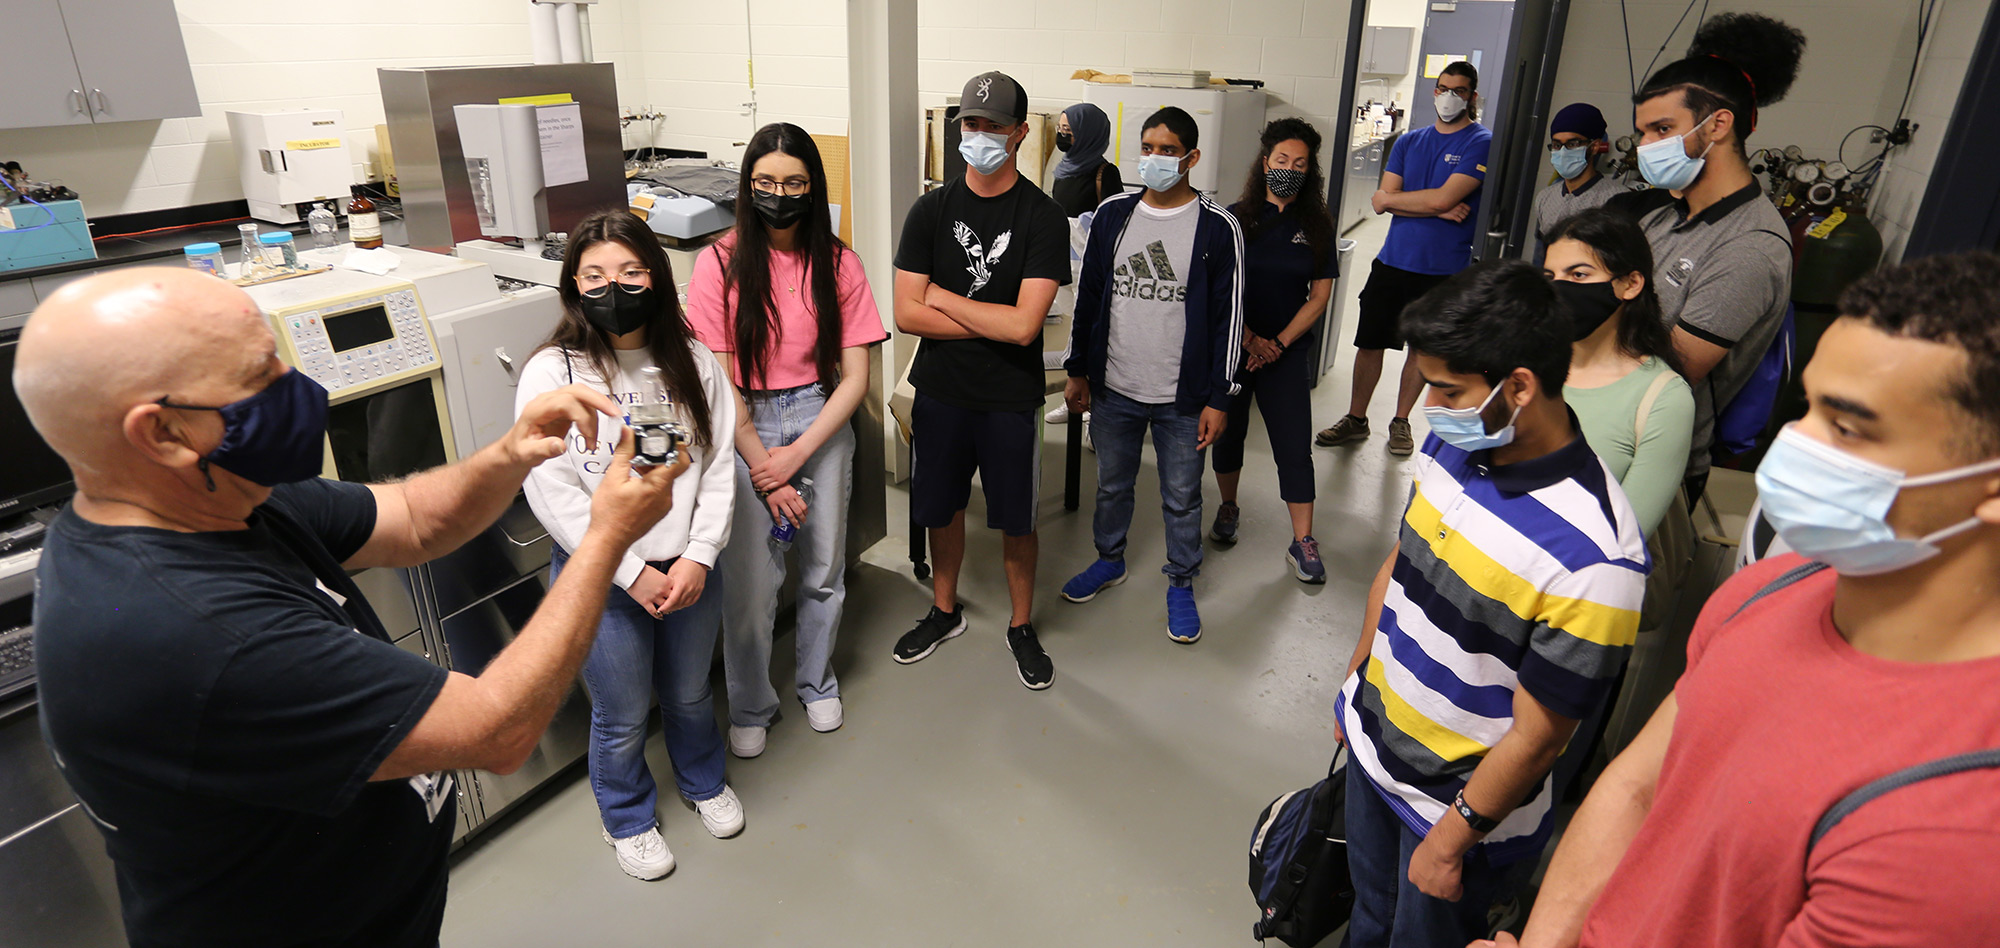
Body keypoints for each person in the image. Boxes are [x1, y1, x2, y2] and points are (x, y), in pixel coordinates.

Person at [20, 267, 686, 946]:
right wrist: (606, 538)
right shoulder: (197, 632)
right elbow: (499, 728)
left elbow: (413, 517)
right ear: (163, 432)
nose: (300, 386)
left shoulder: (217, 496)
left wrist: (510, 454)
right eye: (261, 376)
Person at [1482, 251, 2000, 948]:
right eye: (1807, 406)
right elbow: (1638, 788)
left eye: (1848, 428)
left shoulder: (1953, 827)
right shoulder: (1772, 591)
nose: (1794, 444)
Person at [1335, 260, 1647, 947]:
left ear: (1520, 387)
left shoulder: (1595, 557)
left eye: (1446, 390)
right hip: (1375, 749)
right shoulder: (1452, 442)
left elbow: (1540, 738)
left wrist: (1451, 843)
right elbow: (1398, 565)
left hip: (1457, 814)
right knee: (1367, 918)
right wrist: (1357, 688)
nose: (1429, 410)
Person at [516, 208, 741, 881]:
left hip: (691, 569)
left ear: (657, 278)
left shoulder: (692, 361)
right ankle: (627, 816)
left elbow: (721, 462)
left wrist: (700, 553)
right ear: (572, 286)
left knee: (692, 692)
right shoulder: (551, 374)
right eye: (594, 276)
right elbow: (552, 490)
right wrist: (632, 570)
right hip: (601, 577)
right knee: (618, 714)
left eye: (630, 272)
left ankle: (702, 781)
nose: (613, 288)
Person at [685, 123, 887, 759]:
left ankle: (816, 681)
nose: (779, 193)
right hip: (741, 425)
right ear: (748, 187)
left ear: (812, 187)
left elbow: (855, 378)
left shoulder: (840, 262)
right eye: (766, 182)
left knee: (824, 568)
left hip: (819, 420)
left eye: (794, 183)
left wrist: (796, 456)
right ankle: (750, 704)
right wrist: (761, 462)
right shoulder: (716, 263)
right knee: (750, 582)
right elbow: (717, 379)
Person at [890, 70, 1070, 689]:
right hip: (940, 392)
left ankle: (1021, 625)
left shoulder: (1044, 219)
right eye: (971, 123)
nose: (980, 135)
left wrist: (945, 297)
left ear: (1021, 133)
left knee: (1017, 518)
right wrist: (993, 320)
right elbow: (906, 313)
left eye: (994, 126)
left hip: (1009, 399)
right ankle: (945, 610)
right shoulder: (931, 210)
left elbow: (1025, 330)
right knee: (942, 509)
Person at [1059, 106, 1244, 644]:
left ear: (1191, 157)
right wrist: (1078, 371)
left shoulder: (1217, 226)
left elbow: (1229, 316)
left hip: (1183, 398)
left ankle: (1181, 581)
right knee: (1112, 485)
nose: (1155, 159)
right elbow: (1088, 298)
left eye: (1167, 150)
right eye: (1148, 147)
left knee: (1182, 496)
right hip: (1116, 387)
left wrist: (1220, 397)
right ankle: (1108, 559)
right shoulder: (1114, 214)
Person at [1629, 13, 1805, 502]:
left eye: (1661, 128)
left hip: (1651, 466)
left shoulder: (1750, 245)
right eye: (1643, 132)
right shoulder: (1662, 218)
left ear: (1719, 125)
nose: (1646, 147)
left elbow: (1668, 370)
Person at [1317, 60, 1491, 457]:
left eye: (1459, 90)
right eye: (1443, 88)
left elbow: (1439, 197)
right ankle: (1356, 419)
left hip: (1443, 271)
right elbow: (1380, 201)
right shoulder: (1410, 141)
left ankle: (1400, 422)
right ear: (1434, 91)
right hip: (1393, 261)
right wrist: (1436, 207)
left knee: (1423, 350)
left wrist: (1425, 202)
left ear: (1472, 96)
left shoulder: (1479, 142)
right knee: (1371, 342)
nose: (1449, 97)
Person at [1210, 117, 1336, 584]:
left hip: (1285, 354)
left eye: (1299, 163)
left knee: (1293, 444)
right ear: (1265, 163)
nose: (1289, 168)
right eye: (1282, 160)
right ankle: (1227, 506)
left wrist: (1278, 344)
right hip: (1235, 347)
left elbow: (1319, 296)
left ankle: (1302, 539)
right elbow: (1216, 288)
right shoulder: (1234, 218)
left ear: (1309, 172)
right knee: (1229, 432)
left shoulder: (1316, 224)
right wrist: (1247, 338)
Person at [1544, 208, 1693, 538]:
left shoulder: (1663, 399)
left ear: (1630, 284)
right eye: (1550, 277)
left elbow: (1625, 538)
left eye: (1579, 275)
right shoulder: (1525, 364)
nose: (1560, 290)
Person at [1529, 103, 1619, 262]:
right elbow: (1541, 257)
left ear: (1595, 146)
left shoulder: (1616, 199)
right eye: (1557, 145)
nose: (1563, 152)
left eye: (1573, 144)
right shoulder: (1545, 198)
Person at [1050, 102, 1124, 218]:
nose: (1061, 134)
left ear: (1087, 134)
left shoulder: (1106, 174)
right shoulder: (1063, 169)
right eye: (1059, 128)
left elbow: (1114, 220)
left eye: (1067, 130)